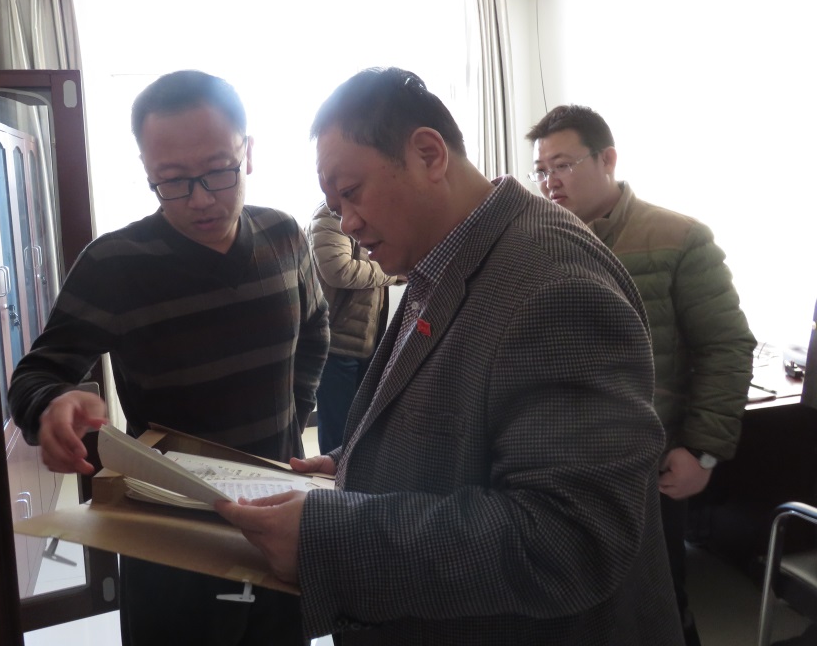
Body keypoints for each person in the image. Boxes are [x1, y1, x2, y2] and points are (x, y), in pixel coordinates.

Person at [216, 67, 683, 645]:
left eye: (352, 192)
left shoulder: (554, 285)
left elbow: (569, 540)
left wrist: (329, 535)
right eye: (335, 205)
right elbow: (459, 421)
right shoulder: (446, 255)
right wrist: (353, 462)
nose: (349, 224)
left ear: (429, 154)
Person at [7, 69, 330, 646]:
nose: (200, 199)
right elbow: (37, 373)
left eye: (219, 171)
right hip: (166, 526)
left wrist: (292, 419)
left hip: (275, 510)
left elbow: (315, 327)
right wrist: (51, 404)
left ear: (248, 153)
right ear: (147, 171)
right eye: (173, 180)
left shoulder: (283, 235)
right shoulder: (113, 264)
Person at [525, 104, 756, 646]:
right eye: (540, 170)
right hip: (559, 464)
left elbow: (726, 345)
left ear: (607, 159)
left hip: (647, 463)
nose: (550, 181)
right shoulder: (536, 240)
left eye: (562, 165)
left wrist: (703, 452)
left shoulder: (678, 237)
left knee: (659, 605)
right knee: (574, 605)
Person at [307, 196, 401, 454]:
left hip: (368, 342)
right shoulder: (327, 218)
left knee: (365, 428)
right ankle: (333, 480)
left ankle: (357, 478)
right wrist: (393, 273)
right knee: (338, 435)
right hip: (336, 344)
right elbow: (340, 271)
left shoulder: (372, 213)